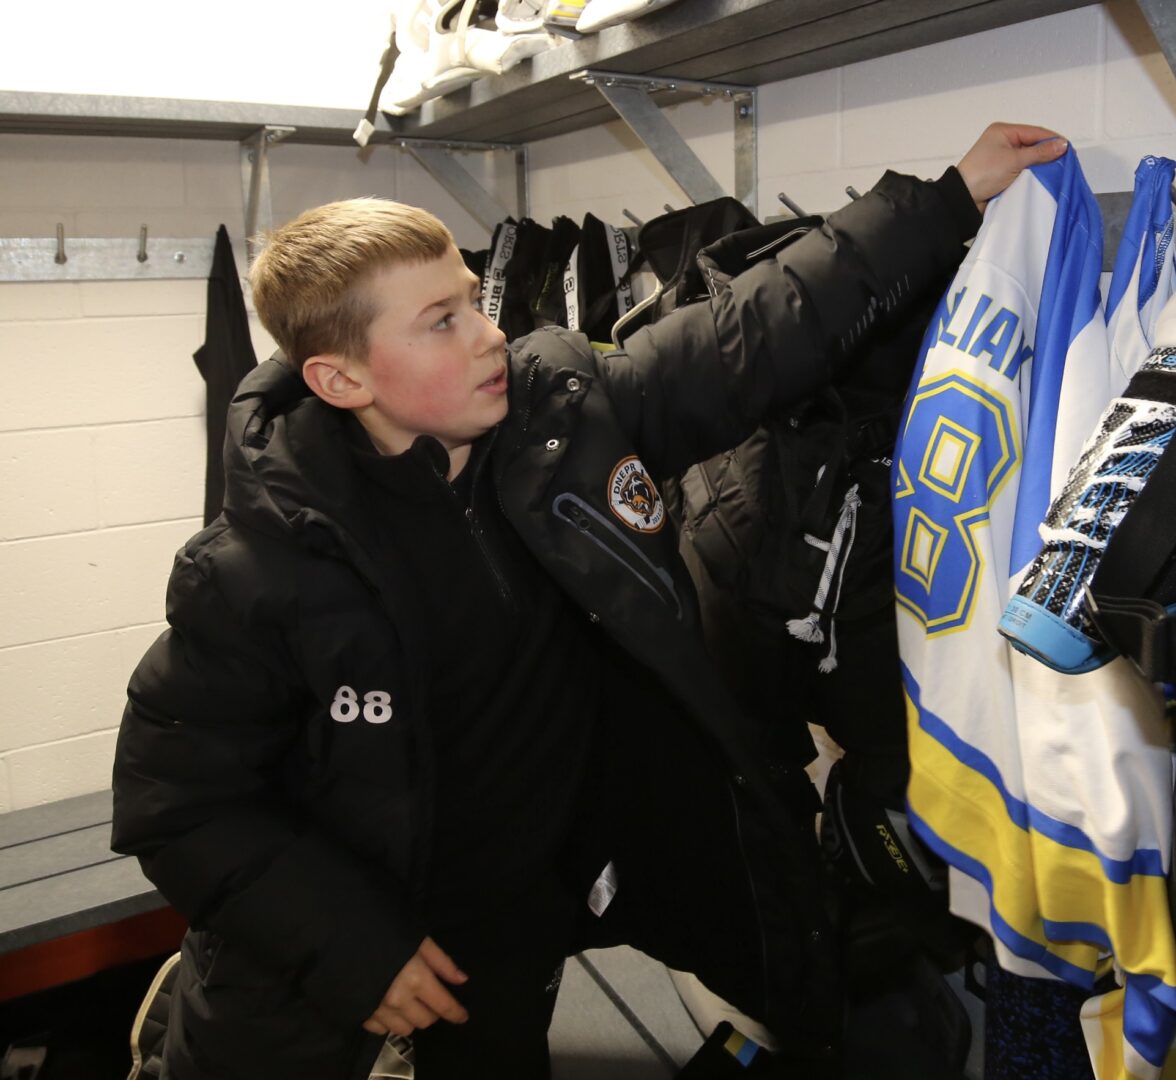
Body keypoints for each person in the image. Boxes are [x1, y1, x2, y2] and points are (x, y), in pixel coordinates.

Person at [110, 122, 1068, 1080]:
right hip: (320, 977)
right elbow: (179, 801)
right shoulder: (253, 572)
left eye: (470, 302)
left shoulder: (557, 414)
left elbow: (749, 336)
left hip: (507, 936)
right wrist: (348, 948)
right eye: (440, 321)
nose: (490, 332)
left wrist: (943, 198)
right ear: (341, 378)